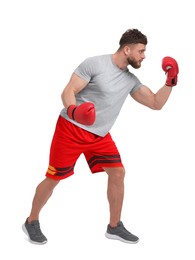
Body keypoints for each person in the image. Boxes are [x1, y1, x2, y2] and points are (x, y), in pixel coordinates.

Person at [22, 29, 179, 245]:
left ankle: (114, 226)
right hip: (71, 129)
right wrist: (74, 110)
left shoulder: (130, 80)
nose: (144, 56)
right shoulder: (95, 64)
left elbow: (155, 103)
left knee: (117, 172)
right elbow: (67, 91)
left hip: (100, 135)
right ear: (127, 49)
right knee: (54, 178)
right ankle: (32, 221)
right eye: (141, 51)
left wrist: (170, 81)